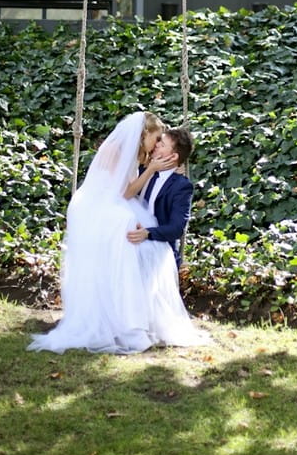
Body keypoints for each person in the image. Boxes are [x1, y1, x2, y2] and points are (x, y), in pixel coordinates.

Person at [27, 111, 206, 355]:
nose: (155, 146)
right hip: (100, 207)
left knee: (136, 238)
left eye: (160, 143)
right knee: (126, 228)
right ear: (144, 135)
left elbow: (172, 223)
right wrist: (152, 169)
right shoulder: (120, 152)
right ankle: (127, 325)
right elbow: (125, 192)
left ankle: (136, 321)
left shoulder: (163, 174)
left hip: (124, 209)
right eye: (156, 140)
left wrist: (157, 168)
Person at [126, 126, 194, 268]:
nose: (156, 144)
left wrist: (147, 233)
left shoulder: (181, 186)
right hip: (129, 243)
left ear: (174, 156)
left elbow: (176, 228)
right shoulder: (141, 170)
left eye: (162, 144)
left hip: (157, 251)